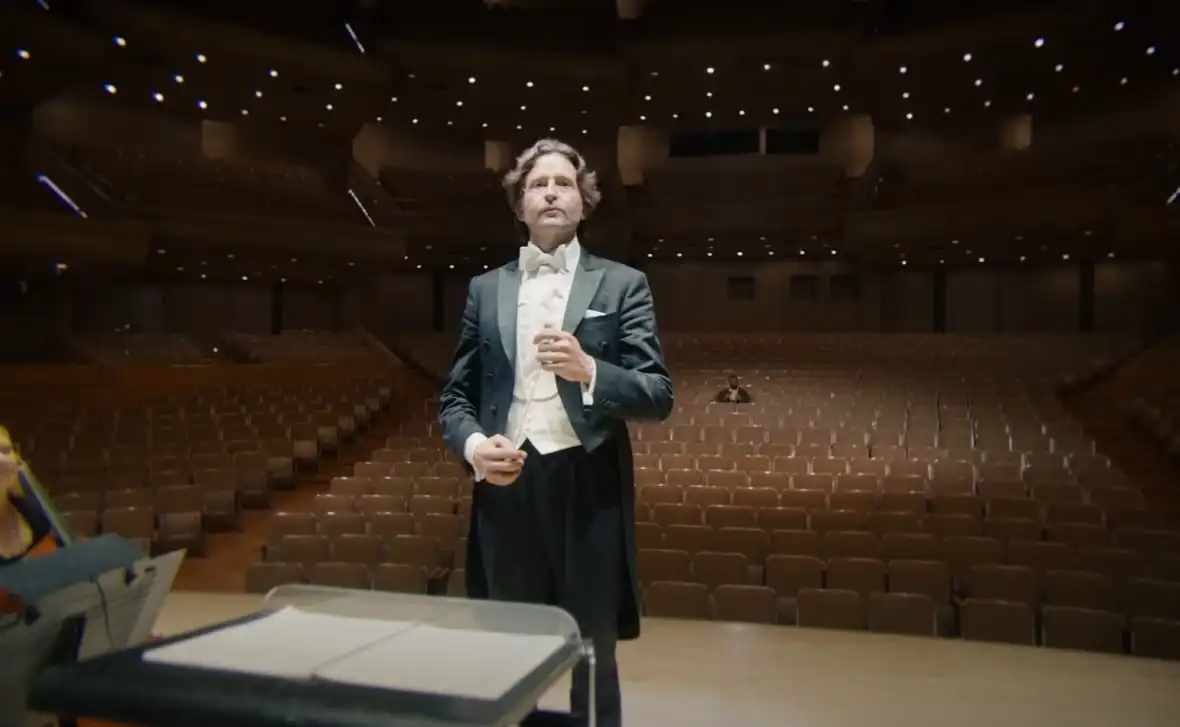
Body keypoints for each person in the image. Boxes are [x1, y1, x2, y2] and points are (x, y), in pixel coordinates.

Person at [439, 138, 673, 727]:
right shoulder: (484, 289)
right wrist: (473, 447)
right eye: (537, 184)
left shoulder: (624, 284)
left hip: (588, 484)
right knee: (508, 645)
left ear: (583, 203)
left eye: (563, 183)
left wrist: (590, 370)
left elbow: (657, 395)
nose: (550, 192)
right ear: (519, 205)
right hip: (506, 486)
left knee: (592, 647)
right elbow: (455, 397)